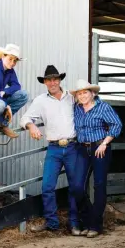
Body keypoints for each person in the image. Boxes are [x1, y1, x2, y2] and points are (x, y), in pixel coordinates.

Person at [19, 65, 85, 234]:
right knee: (47, 186)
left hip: (72, 146)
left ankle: (74, 222)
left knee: (75, 186)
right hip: (54, 149)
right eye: (49, 79)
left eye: (55, 79)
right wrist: (31, 125)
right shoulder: (41, 100)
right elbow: (25, 117)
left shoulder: (72, 97)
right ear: (45, 82)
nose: (52, 82)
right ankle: (52, 223)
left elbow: (89, 103)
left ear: (60, 80)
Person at [70, 79, 122, 238]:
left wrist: (105, 143)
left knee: (99, 185)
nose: (83, 96)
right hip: (81, 148)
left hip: (100, 148)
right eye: (79, 93)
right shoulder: (76, 108)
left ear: (92, 93)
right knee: (77, 186)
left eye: (85, 92)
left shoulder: (103, 107)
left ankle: (95, 225)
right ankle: (87, 220)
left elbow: (116, 125)